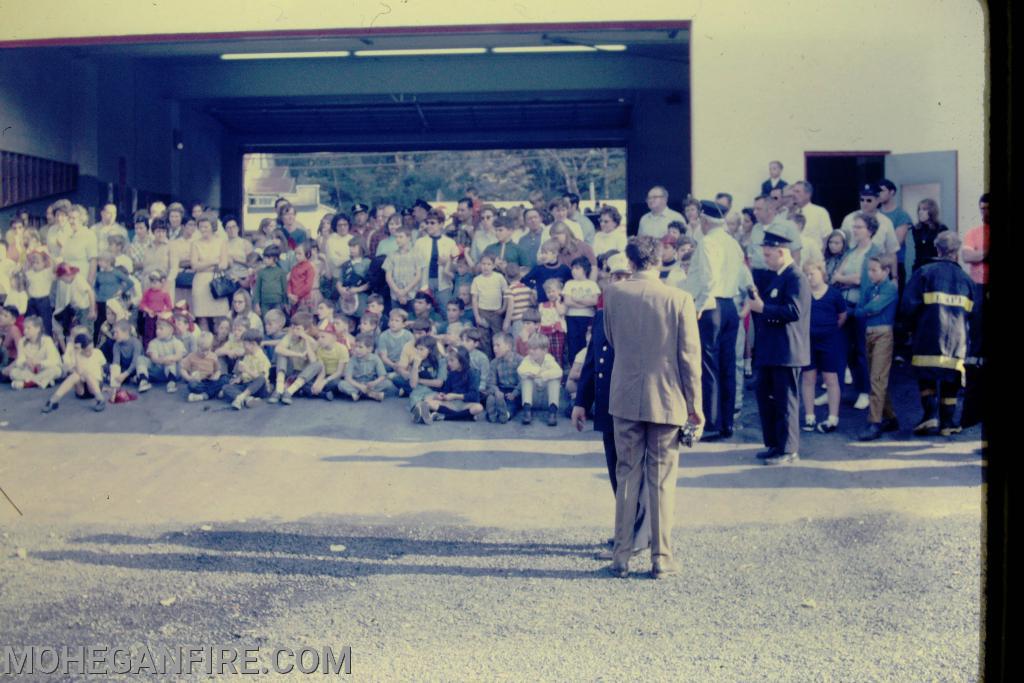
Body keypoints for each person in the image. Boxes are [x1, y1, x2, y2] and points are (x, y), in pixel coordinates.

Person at [601, 236, 702, 579]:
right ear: (661, 260)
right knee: (661, 480)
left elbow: (612, 340)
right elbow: (689, 358)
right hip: (668, 397)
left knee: (627, 474)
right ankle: (662, 558)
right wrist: (695, 405)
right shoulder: (680, 299)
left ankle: (621, 557)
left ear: (629, 263)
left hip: (625, 395)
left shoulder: (613, 294)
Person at [572, 255, 652, 560]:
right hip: (607, 404)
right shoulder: (602, 312)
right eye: (612, 275)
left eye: (623, 275)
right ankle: (626, 532)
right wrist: (581, 401)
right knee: (617, 473)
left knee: (632, 473)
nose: (617, 281)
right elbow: (593, 360)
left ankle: (635, 538)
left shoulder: (641, 311)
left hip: (632, 403)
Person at [683, 200, 747, 441]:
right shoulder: (732, 243)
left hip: (712, 306)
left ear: (705, 220)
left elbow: (709, 278)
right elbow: (742, 273)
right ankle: (726, 422)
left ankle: (711, 422)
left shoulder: (708, 242)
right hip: (729, 304)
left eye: (700, 219)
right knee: (727, 364)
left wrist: (699, 306)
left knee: (708, 367)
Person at [747, 226, 811, 466]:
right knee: (767, 397)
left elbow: (794, 311)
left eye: (769, 254)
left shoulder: (796, 278)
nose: (766, 258)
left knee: (786, 402)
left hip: (787, 351)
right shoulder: (780, 277)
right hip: (773, 350)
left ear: (782, 252)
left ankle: (788, 448)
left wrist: (763, 309)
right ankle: (775, 443)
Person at [902, 231, 975, 436]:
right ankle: (948, 422)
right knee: (951, 379)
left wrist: (907, 329)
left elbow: (908, 306)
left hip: (927, 336)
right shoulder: (966, 280)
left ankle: (930, 416)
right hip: (957, 342)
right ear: (957, 252)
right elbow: (974, 314)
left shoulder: (924, 273)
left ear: (937, 248)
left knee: (927, 376)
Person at [854, 255, 900, 440]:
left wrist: (865, 309)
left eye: (874, 270)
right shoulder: (871, 288)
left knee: (877, 377)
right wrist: (866, 309)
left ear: (887, 271)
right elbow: (862, 308)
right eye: (869, 270)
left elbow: (873, 307)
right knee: (877, 376)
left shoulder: (890, 288)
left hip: (883, 334)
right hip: (870, 333)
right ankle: (890, 417)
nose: (870, 273)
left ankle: (875, 422)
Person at [800, 259, 846, 433]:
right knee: (808, 378)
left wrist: (829, 330)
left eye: (813, 273)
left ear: (822, 273)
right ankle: (809, 417)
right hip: (808, 342)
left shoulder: (834, 294)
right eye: (807, 274)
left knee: (831, 379)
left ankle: (833, 418)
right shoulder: (803, 294)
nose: (810, 277)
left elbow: (842, 316)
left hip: (829, 342)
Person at [41, 332, 107, 413]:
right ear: (81, 349)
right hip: (82, 390)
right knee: (75, 375)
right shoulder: (77, 355)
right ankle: (53, 400)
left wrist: (102, 386)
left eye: (91, 349)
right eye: (86, 351)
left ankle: (100, 399)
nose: (90, 352)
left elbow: (102, 371)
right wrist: (76, 353)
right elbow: (79, 372)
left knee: (87, 374)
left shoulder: (97, 352)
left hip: (94, 386)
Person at [413, 209, 459, 308]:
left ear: (441, 224)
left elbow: (456, 267)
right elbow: (414, 265)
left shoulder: (450, 243)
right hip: (425, 282)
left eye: (432, 223)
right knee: (424, 312)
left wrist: (447, 263)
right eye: (427, 223)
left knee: (445, 312)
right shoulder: (419, 243)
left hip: (443, 284)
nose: (429, 226)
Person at [840, 184, 899, 256]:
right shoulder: (849, 219)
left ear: (878, 200)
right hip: (853, 262)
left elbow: (892, 252)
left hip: (877, 262)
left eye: (869, 200)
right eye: (862, 200)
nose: (865, 203)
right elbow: (841, 246)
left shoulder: (886, 222)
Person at [6, 315, 61, 390]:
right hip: (28, 371)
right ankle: (43, 382)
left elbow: (54, 361)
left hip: (43, 369)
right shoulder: (22, 341)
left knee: (56, 370)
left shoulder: (47, 340)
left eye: (28, 328)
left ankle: (26, 384)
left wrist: (39, 363)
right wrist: (25, 362)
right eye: (24, 328)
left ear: (37, 329)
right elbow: (19, 360)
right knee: (13, 372)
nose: (25, 331)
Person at [337, 332, 392, 401]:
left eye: (360, 347)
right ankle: (371, 394)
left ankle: (359, 394)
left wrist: (374, 382)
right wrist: (360, 386)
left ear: (369, 349)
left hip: (370, 384)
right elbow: (348, 377)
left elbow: (383, 376)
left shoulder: (375, 359)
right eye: (355, 346)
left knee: (388, 383)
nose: (357, 350)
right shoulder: (353, 359)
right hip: (357, 383)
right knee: (341, 384)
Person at [224, 329, 271, 409]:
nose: (244, 347)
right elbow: (244, 375)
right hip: (247, 384)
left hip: (259, 388)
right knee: (226, 387)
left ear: (253, 344)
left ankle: (240, 397)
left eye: (245, 344)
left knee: (261, 378)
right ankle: (247, 399)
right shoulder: (247, 356)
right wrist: (239, 378)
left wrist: (247, 370)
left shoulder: (263, 359)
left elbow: (261, 378)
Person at [484, 331, 522, 423]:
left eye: (498, 345)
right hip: (501, 390)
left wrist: (514, 393)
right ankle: (492, 413)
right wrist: (496, 391)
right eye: (493, 346)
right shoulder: (494, 362)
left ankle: (506, 415)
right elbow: (491, 382)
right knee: (491, 397)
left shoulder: (520, 360)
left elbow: (522, 381)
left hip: (515, 391)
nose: (494, 348)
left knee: (512, 405)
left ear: (508, 346)